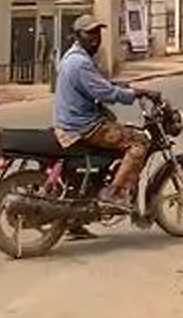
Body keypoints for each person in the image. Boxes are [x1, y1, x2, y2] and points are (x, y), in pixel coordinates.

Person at [52, 14, 160, 210]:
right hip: (84, 126)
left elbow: (98, 84)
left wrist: (125, 86)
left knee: (120, 130)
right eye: (89, 33)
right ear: (78, 36)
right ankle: (115, 193)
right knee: (139, 142)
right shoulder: (80, 63)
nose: (95, 37)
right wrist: (138, 93)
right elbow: (105, 92)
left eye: (97, 32)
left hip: (71, 121)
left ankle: (79, 217)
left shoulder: (73, 57)